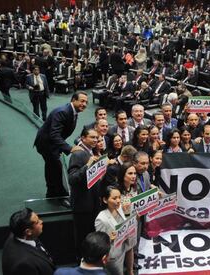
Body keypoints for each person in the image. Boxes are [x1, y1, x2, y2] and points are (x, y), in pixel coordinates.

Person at [34, 91, 88, 198]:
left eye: (86, 102)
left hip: (53, 143)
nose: (85, 104)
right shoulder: (63, 112)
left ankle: (51, 192)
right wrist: (70, 148)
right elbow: (54, 135)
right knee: (56, 168)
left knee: (51, 166)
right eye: (82, 101)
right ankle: (60, 195)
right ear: (73, 100)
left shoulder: (72, 111)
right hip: (46, 144)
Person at [68, 128, 101, 260]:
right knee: (83, 237)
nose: (95, 140)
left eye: (96, 138)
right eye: (92, 137)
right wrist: (87, 165)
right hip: (82, 206)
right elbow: (72, 179)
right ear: (83, 138)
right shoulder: (78, 154)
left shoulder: (91, 152)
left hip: (92, 203)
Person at [95, 185, 135, 275]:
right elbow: (100, 243)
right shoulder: (101, 219)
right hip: (113, 255)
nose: (118, 201)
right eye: (114, 198)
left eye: (119, 197)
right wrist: (109, 238)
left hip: (124, 246)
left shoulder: (121, 208)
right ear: (105, 200)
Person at [2, 208, 55, 275]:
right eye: (37, 222)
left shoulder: (18, 233)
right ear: (28, 231)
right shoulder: (24, 265)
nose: (41, 221)